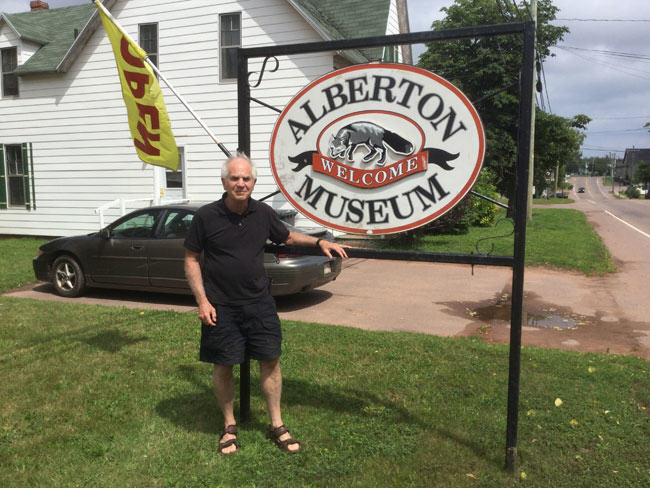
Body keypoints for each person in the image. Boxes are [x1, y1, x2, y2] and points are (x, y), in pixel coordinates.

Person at [184, 153, 348, 455]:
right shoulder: (206, 217)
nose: (241, 183)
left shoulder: (262, 213)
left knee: (270, 361)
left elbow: (287, 236)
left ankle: (276, 425)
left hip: (259, 304)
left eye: (246, 178)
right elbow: (191, 259)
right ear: (224, 181)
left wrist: (319, 242)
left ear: (253, 182)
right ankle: (229, 426)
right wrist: (202, 300)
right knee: (223, 365)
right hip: (221, 306)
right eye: (235, 178)